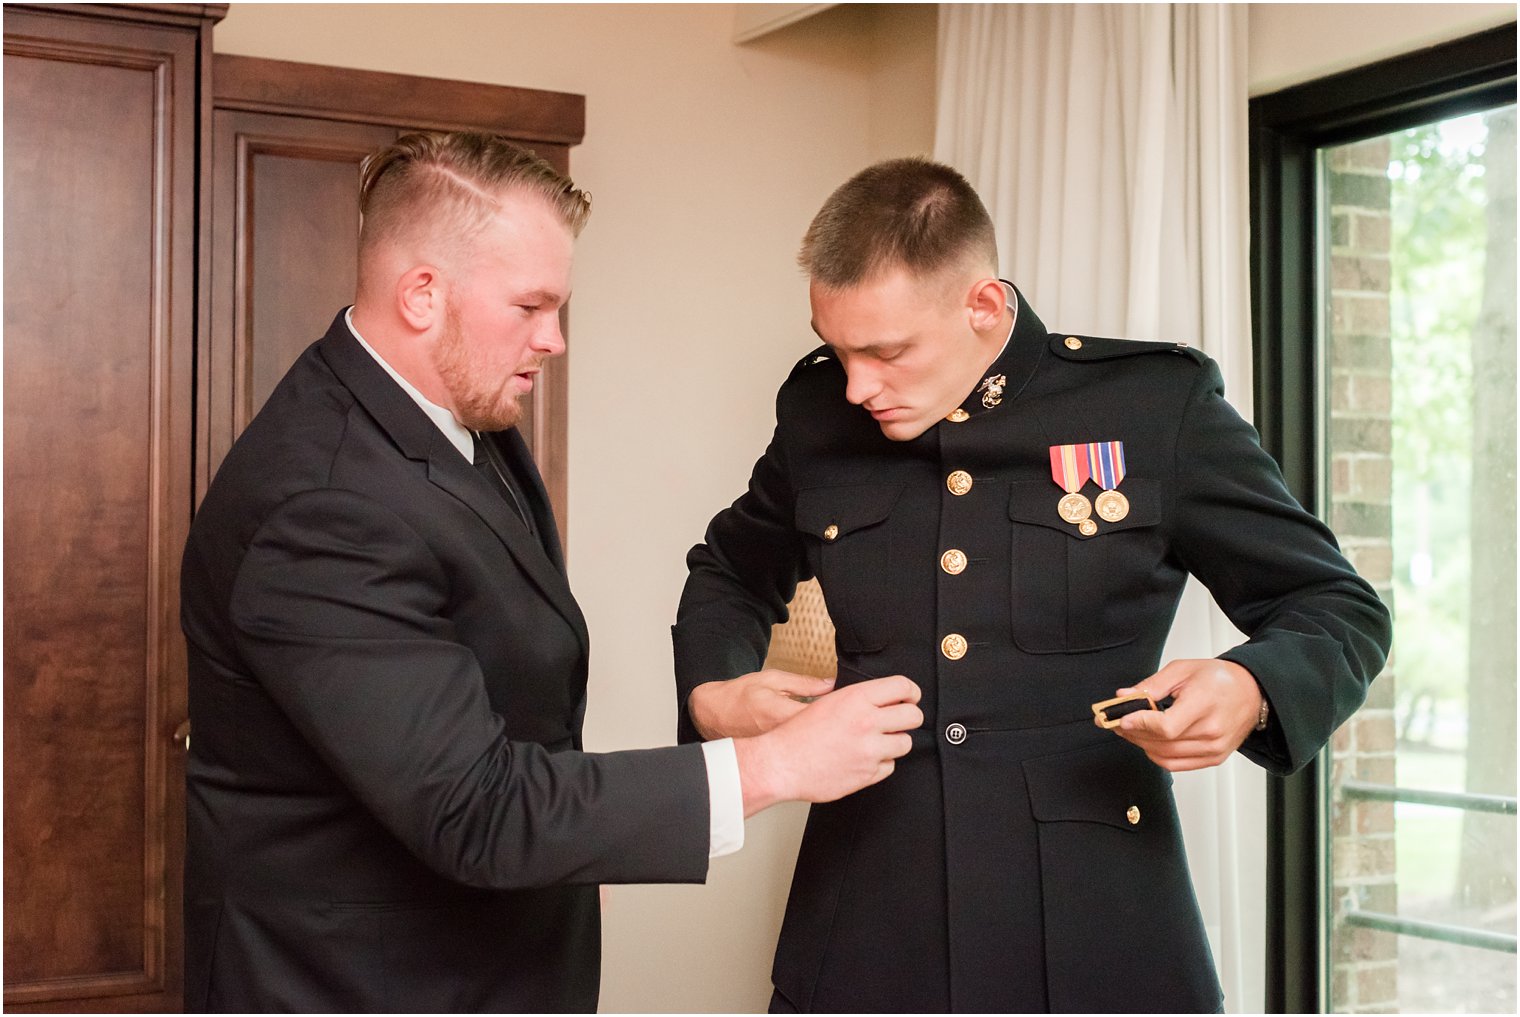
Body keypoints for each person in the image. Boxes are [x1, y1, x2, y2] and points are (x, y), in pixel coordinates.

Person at [179, 131, 923, 1013]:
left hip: (492, 957)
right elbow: (473, 808)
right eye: (531, 307)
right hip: (364, 983)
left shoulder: (462, 414)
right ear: (422, 294)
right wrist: (770, 765)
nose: (555, 339)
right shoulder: (321, 506)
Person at [672, 157, 1392, 1013]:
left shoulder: (1153, 407)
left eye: (888, 351)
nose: (859, 385)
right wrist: (715, 692)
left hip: (1100, 931)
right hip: (865, 927)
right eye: (840, 350)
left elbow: (1336, 606)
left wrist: (1251, 684)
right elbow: (728, 566)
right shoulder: (820, 413)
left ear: (982, 304)